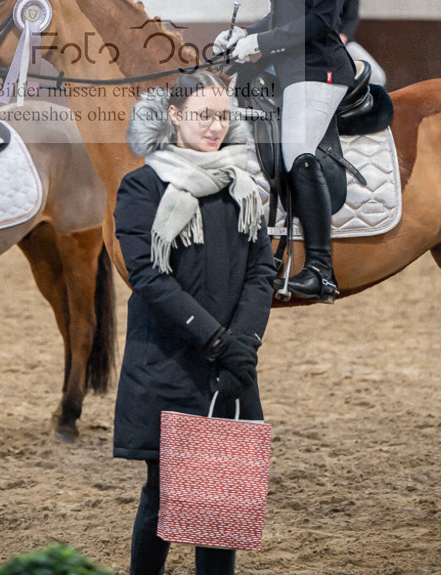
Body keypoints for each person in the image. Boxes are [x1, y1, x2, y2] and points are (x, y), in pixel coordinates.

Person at [113, 71, 276, 575]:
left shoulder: (244, 186)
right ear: (177, 116)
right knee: (162, 496)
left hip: (229, 364)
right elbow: (148, 275)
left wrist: (242, 345)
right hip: (166, 362)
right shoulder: (140, 186)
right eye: (203, 116)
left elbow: (262, 271)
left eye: (223, 117)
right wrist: (215, 338)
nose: (214, 126)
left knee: (218, 507)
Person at [214, 0, 355, 302]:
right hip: (287, 65)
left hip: (319, 69)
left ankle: (320, 270)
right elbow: (280, 16)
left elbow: (321, 21)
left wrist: (260, 43)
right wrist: (236, 37)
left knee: (297, 149)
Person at [339, 0, 387, 87]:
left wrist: (344, 35)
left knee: (376, 77)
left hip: (342, 42)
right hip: (316, 44)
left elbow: (352, 18)